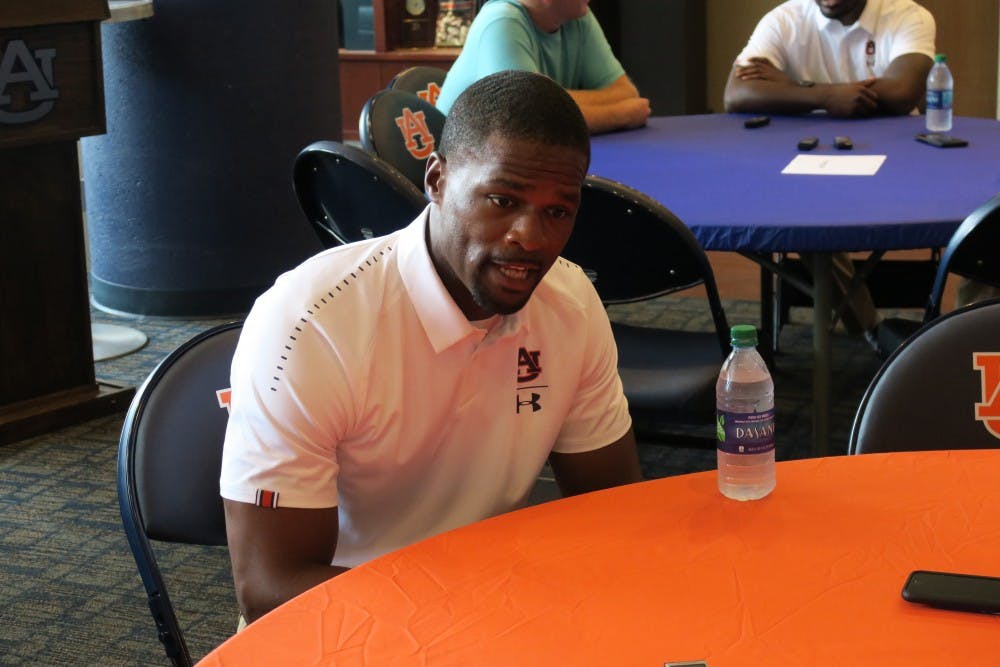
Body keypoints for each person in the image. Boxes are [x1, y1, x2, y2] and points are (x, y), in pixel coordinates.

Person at [220, 70, 643, 624]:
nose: (530, 237)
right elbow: (270, 586)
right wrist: (466, 615)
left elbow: (611, 512)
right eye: (501, 199)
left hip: (493, 606)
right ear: (438, 180)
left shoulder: (570, 301)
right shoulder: (312, 325)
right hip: (349, 622)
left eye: (557, 211)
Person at [724, 0, 936, 343]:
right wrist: (826, 94)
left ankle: (959, 339)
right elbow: (737, 94)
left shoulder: (908, 15)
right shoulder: (785, 18)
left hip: (899, 166)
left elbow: (901, 91)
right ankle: (871, 329)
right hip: (810, 162)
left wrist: (792, 86)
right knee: (801, 213)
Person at [435, 0, 650, 134]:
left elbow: (626, 92)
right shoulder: (501, 22)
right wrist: (621, 115)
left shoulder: (577, 15)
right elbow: (531, 121)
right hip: (464, 181)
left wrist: (552, 103)